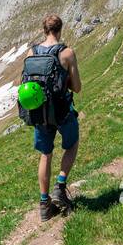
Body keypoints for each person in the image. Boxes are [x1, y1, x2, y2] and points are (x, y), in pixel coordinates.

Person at [26, 14, 81, 221]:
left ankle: (44, 205)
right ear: (60, 30)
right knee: (72, 144)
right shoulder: (67, 53)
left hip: (40, 112)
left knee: (45, 154)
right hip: (62, 111)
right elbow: (77, 87)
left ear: (44, 30)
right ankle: (60, 186)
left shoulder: (32, 52)